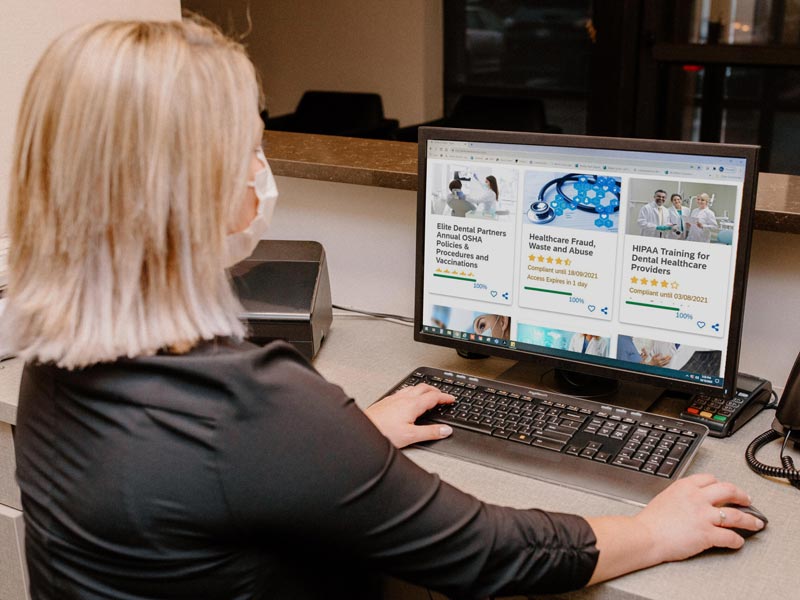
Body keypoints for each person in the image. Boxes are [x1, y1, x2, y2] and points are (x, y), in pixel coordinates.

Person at [4, 18, 763, 600]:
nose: (259, 171)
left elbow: (204, 475)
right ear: (192, 191)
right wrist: (649, 530)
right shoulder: (250, 407)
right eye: (247, 148)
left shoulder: (53, 358)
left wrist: (345, 440)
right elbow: (491, 554)